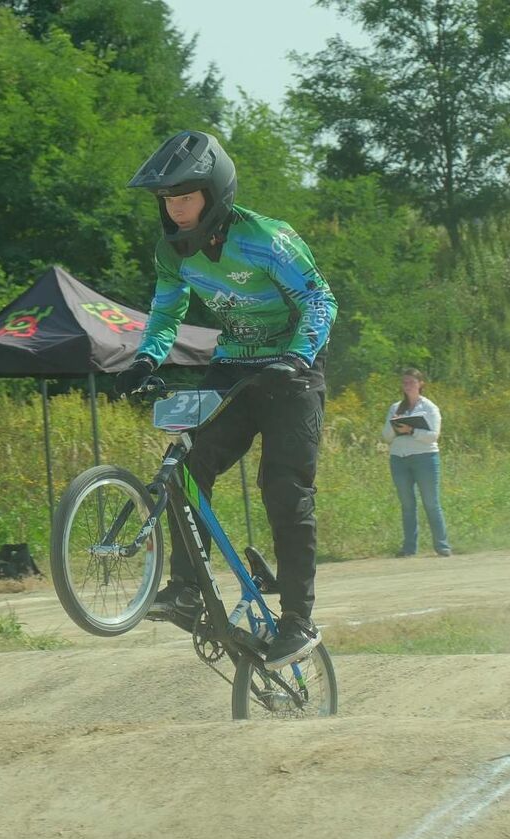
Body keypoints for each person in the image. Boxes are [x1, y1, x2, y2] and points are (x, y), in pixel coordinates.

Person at [114, 130, 337, 670]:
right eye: (168, 200)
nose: (176, 209)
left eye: (186, 197)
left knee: (283, 490)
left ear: (215, 194)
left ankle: (298, 620)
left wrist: (299, 355)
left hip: (292, 374)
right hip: (234, 365)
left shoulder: (267, 238)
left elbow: (320, 298)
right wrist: (147, 358)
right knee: (187, 469)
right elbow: (167, 312)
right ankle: (188, 588)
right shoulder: (173, 250)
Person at [381, 368, 452, 557]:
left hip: (425, 458)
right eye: (404, 382)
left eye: (411, 382)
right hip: (399, 459)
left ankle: (442, 545)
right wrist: (395, 427)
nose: (407, 386)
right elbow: (386, 437)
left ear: (420, 384)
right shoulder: (395, 407)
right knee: (407, 504)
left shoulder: (429, 408)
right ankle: (409, 548)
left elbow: (433, 436)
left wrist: (411, 430)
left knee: (431, 502)